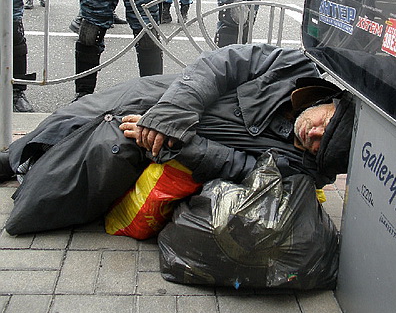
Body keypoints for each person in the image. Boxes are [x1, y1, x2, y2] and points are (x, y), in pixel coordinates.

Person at [0, 43, 355, 237]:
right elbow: (222, 63)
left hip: (179, 146)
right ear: (330, 102)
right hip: (175, 96)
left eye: (319, 144)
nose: (314, 134)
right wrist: (173, 113)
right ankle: (19, 156)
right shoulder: (295, 67)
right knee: (80, 113)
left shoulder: (304, 171)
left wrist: (176, 143)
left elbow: (239, 165)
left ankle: (28, 169)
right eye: (326, 123)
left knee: (97, 152)